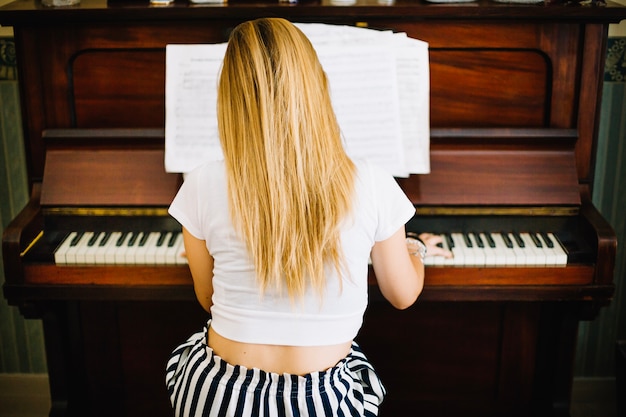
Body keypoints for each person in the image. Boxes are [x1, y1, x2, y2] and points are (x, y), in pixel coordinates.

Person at [165, 17, 451, 417]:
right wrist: (414, 249)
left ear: (229, 99)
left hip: (219, 394)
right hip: (321, 401)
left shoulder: (200, 182)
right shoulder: (371, 182)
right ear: (315, 87)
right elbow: (402, 296)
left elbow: (209, 297)